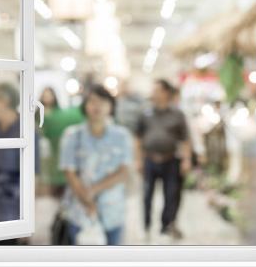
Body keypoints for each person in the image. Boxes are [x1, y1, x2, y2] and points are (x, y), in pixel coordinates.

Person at [59, 85, 132, 245]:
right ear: (85, 105)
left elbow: (124, 171)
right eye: (92, 101)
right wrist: (88, 201)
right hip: (79, 210)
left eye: (103, 101)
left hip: (112, 210)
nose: (97, 106)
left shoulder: (122, 136)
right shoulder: (72, 135)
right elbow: (69, 172)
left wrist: (93, 191)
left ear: (111, 106)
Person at [0, 82, 40, 245]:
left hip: (12, 211)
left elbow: (32, 176)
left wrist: (27, 219)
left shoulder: (25, 130)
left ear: (4, 101)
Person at [134, 79, 192, 239]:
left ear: (166, 93)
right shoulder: (144, 113)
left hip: (171, 160)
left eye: (158, 90)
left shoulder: (177, 114)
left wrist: (186, 160)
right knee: (146, 195)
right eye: (153, 90)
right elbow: (137, 138)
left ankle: (166, 226)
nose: (154, 94)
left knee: (171, 194)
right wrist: (138, 160)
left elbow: (185, 139)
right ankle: (146, 226)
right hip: (150, 160)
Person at [37, 87, 85, 198]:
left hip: (57, 153)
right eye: (45, 95)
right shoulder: (38, 115)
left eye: (49, 95)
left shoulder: (59, 115)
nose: (47, 98)